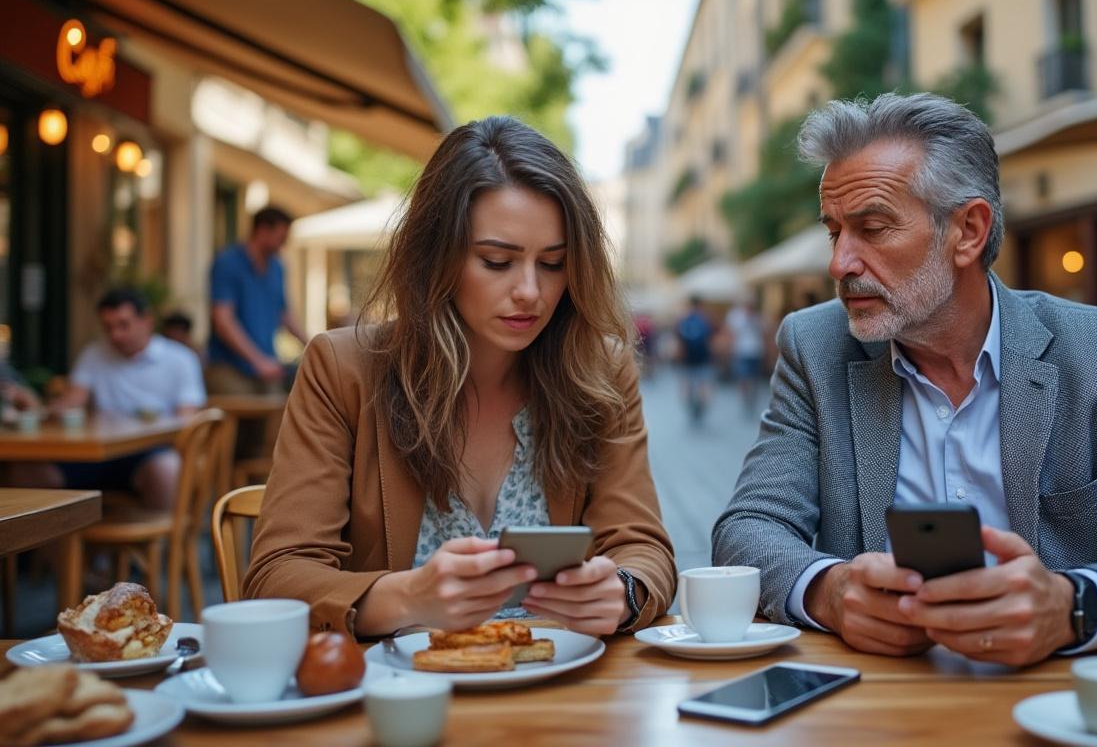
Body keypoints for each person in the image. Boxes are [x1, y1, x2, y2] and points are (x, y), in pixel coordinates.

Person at [712, 92, 1097, 667]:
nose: (840, 264)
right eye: (836, 232)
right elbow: (749, 527)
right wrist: (829, 591)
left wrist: (1070, 606)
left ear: (968, 231)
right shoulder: (815, 347)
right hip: (885, 699)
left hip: (1059, 694)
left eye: (873, 228)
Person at [244, 117, 676, 638]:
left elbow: (644, 547)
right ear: (435, 257)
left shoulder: (599, 370)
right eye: (497, 261)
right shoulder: (343, 370)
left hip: (561, 692)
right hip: (397, 699)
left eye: (554, 263)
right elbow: (276, 577)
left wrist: (622, 592)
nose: (530, 292)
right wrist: (407, 598)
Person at [33, 288, 204, 509]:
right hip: (96, 455)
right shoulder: (94, 354)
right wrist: (40, 408)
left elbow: (186, 418)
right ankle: (56, 543)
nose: (115, 335)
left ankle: (165, 542)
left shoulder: (180, 359)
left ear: (147, 321)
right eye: (108, 327)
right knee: (29, 472)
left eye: (124, 325)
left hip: (150, 452)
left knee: (167, 468)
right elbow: (72, 400)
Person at [206, 206, 308, 395]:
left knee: (283, 412)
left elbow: (284, 315)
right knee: (253, 409)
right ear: (262, 230)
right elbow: (223, 320)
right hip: (229, 367)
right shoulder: (228, 263)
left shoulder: (277, 267)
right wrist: (258, 361)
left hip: (266, 367)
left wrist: (313, 345)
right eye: (281, 238)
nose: (284, 245)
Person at [675, 296, 714, 424]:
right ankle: (700, 408)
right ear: (701, 305)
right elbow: (710, 340)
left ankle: (691, 407)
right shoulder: (705, 320)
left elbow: (679, 342)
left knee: (687, 387)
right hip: (703, 359)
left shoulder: (683, 320)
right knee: (704, 386)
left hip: (687, 360)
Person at [725, 298, 766, 413]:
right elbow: (731, 334)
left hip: (756, 352)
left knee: (755, 378)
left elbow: (764, 334)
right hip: (742, 352)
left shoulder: (759, 318)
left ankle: (752, 398)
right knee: (743, 377)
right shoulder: (737, 317)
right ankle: (745, 398)